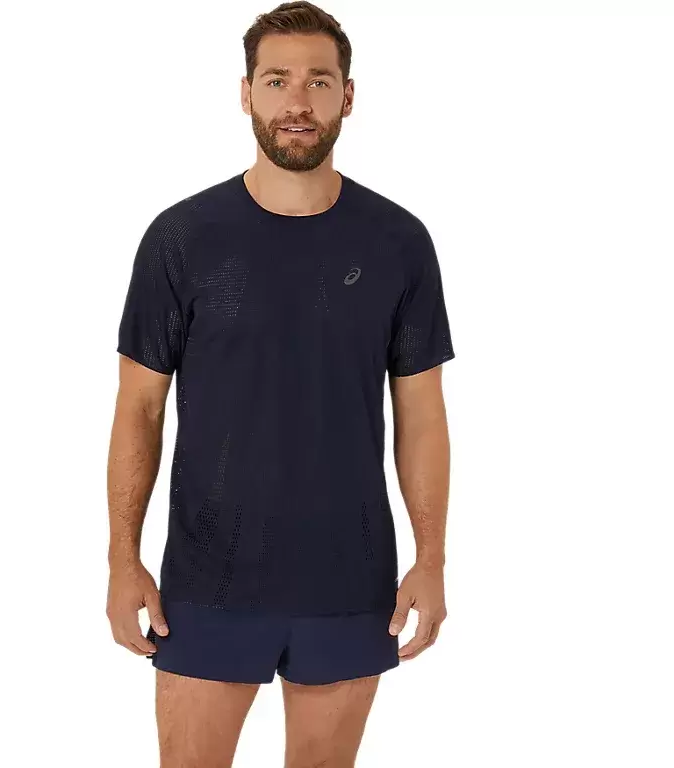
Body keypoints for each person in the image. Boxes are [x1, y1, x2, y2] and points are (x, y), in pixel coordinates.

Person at [107, 2, 455, 765]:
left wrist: (430, 560)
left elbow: (422, 414)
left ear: (348, 96)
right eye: (276, 81)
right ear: (246, 93)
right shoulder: (182, 238)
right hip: (206, 579)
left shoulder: (398, 242)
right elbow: (140, 408)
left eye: (318, 82)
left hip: (349, 580)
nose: (297, 102)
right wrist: (121, 558)